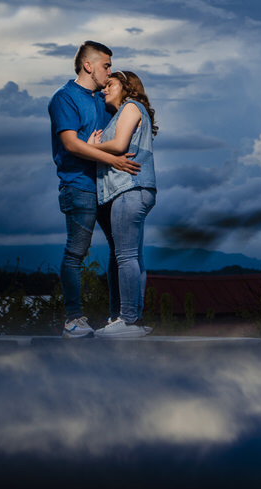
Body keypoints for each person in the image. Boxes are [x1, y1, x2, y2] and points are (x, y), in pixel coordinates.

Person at [49, 41, 140, 338]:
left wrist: (102, 150)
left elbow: (123, 129)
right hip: (79, 186)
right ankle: (73, 319)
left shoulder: (104, 100)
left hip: (109, 187)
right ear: (88, 66)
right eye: (106, 66)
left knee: (121, 251)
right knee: (77, 252)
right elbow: (71, 144)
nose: (110, 72)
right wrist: (109, 156)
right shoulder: (64, 98)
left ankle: (118, 318)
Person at [87, 70, 157, 338]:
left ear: (127, 87)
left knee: (125, 256)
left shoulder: (130, 106)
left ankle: (127, 320)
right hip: (138, 189)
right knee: (134, 257)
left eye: (111, 84)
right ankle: (134, 320)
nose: (105, 89)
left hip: (129, 189)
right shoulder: (127, 112)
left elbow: (119, 145)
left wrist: (90, 147)